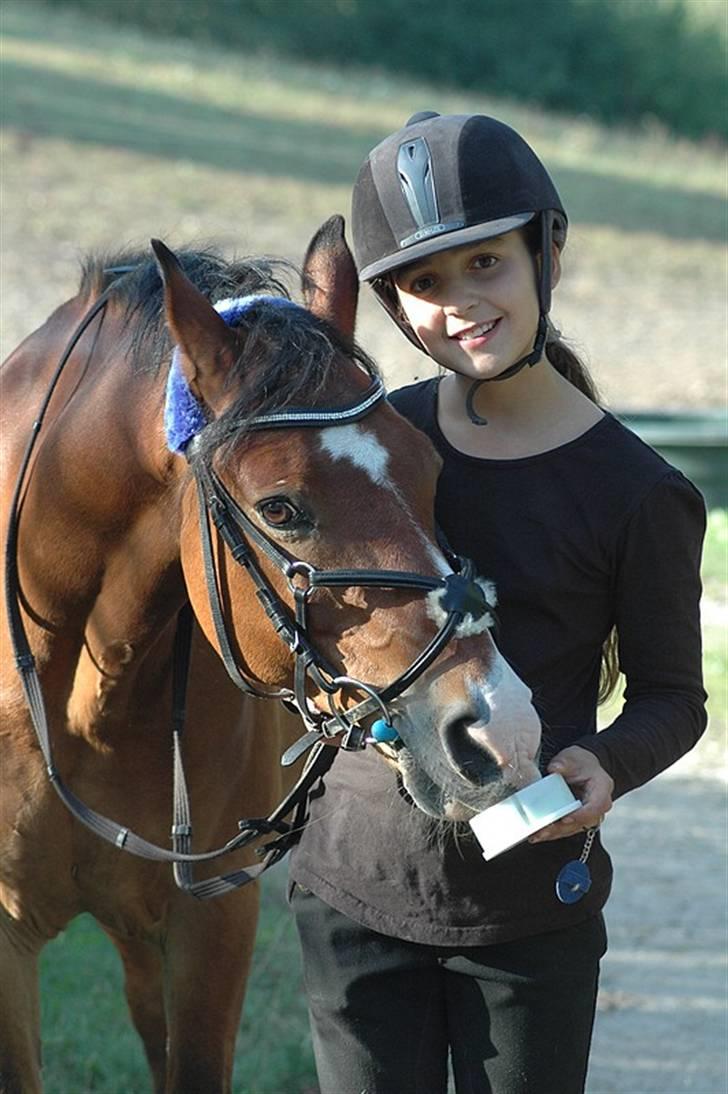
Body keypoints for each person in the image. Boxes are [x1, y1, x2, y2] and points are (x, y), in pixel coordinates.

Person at [288, 112, 707, 1094]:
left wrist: (606, 761)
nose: (458, 304)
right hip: (350, 890)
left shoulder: (636, 491)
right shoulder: (376, 442)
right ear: (392, 304)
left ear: (543, 248)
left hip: (526, 915)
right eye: (423, 284)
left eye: (484, 263)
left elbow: (671, 698)